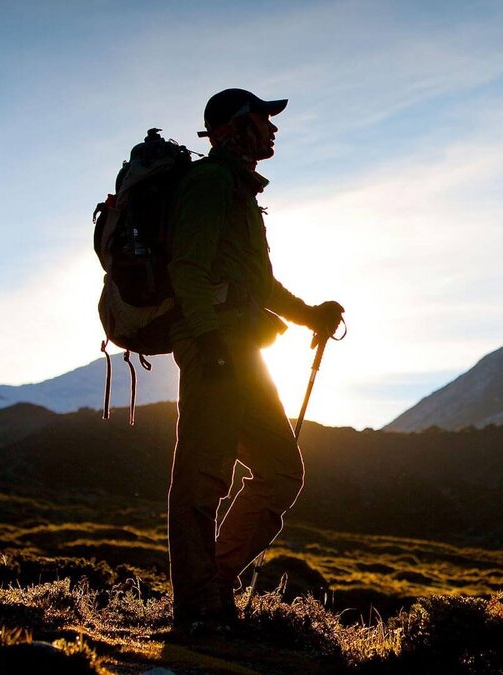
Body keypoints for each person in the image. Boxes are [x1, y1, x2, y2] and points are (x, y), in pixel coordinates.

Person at [165, 88, 344, 635]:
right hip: (216, 351)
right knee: (202, 477)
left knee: (281, 471)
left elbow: (258, 283)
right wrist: (211, 341)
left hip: (241, 351)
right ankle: (199, 608)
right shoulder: (211, 184)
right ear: (234, 129)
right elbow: (187, 268)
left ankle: (213, 587)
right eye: (262, 119)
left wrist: (310, 314)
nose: (272, 129)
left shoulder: (239, 192)